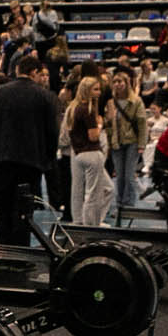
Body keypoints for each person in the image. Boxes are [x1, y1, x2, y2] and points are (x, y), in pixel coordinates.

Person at [0, 52, 58, 244]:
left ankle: (2, 252)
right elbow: (52, 133)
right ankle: (21, 253)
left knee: (2, 214)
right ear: (34, 72)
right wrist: (48, 161)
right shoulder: (44, 96)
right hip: (30, 164)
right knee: (24, 215)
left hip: (1, 162)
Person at [67, 76, 113, 226]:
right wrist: (99, 125)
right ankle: (91, 224)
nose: (99, 93)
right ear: (87, 90)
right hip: (92, 153)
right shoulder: (88, 109)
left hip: (78, 153)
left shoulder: (73, 108)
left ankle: (80, 220)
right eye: (96, 89)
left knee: (79, 189)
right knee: (93, 193)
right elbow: (93, 136)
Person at [107, 68, 148, 217]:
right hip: (116, 142)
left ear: (127, 83)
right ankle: (120, 205)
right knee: (119, 176)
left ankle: (129, 205)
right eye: (115, 82)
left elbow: (142, 123)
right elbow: (108, 124)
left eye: (120, 81)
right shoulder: (111, 102)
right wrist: (109, 142)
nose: (118, 84)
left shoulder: (136, 101)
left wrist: (142, 144)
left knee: (129, 175)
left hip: (133, 141)